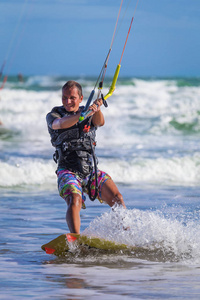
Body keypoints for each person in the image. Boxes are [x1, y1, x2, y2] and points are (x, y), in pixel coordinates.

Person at [46, 80, 126, 234]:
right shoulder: (54, 114)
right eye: (64, 97)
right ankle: (76, 238)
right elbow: (60, 124)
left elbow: (100, 122)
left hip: (90, 170)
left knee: (118, 198)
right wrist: (81, 115)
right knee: (74, 200)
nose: (67, 101)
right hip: (67, 170)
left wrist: (96, 110)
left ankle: (126, 233)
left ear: (81, 98)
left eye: (72, 98)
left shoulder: (89, 112)